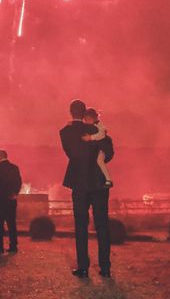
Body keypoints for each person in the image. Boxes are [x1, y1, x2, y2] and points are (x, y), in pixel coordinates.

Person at [60, 99, 113, 278]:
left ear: (70, 112)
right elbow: (109, 154)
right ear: (85, 114)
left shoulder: (65, 132)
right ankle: (105, 268)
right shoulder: (99, 131)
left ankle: (83, 266)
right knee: (102, 226)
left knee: (80, 227)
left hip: (79, 184)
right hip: (99, 184)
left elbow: (71, 154)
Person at [0, 150, 22, 254]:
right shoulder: (14, 168)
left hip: (0, 200)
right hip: (11, 199)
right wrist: (15, 193)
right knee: (11, 224)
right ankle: (13, 246)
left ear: (0, 157)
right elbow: (19, 182)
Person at [83, 108, 114, 188]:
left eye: (86, 120)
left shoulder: (98, 124)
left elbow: (101, 135)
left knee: (99, 160)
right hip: (101, 146)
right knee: (99, 161)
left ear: (90, 118)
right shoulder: (96, 124)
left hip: (103, 147)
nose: (85, 122)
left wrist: (91, 137)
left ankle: (108, 180)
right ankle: (107, 179)